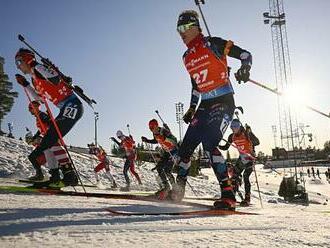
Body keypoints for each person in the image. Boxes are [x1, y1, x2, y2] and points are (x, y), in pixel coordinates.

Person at [173, 10, 252, 210]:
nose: (181, 33)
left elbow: (245, 54)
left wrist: (245, 68)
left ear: (196, 28)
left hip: (224, 101)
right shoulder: (186, 57)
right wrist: (191, 108)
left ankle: (228, 194)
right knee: (186, 148)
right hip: (205, 104)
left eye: (184, 28)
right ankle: (178, 190)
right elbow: (195, 86)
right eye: (178, 30)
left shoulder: (213, 43)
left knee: (209, 143)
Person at [15, 48, 83, 186]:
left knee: (50, 138)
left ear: (27, 59)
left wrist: (52, 69)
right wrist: (26, 84)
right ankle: (57, 176)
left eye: (19, 62)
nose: (18, 66)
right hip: (65, 107)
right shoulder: (35, 79)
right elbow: (39, 98)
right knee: (49, 140)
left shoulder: (38, 68)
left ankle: (69, 177)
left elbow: (56, 79)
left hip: (72, 105)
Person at [27, 100, 74, 187]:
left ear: (36, 107)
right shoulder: (39, 116)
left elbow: (50, 123)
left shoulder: (41, 115)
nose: (29, 110)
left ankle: (45, 176)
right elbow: (41, 128)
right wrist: (35, 137)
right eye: (29, 108)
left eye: (31, 108)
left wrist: (48, 120)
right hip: (47, 139)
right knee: (49, 155)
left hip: (50, 138)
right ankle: (55, 177)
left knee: (34, 156)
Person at [219, 119, 260, 206]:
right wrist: (217, 145)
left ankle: (247, 199)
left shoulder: (246, 133)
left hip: (250, 158)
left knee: (246, 176)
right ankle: (232, 196)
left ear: (239, 126)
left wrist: (250, 133)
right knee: (234, 176)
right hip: (242, 158)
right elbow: (226, 147)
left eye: (236, 126)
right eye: (232, 127)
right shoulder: (231, 136)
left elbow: (257, 142)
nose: (234, 129)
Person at [141, 119, 178, 199]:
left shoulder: (164, 131)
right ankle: (166, 187)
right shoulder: (155, 133)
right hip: (166, 153)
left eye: (152, 127)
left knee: (167, 171)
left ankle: (174, 190)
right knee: (159, 168)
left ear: (157, 126)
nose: (151, 130)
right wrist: (147, 140)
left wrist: (165, 139)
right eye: (150, 128)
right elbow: (156, 141)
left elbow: (174, 140)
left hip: (173, 152)